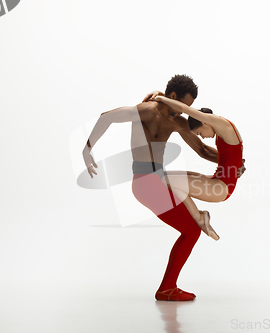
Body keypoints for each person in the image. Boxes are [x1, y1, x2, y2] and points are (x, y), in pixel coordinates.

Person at [82, 75, 245, 301]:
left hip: (157, 181)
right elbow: (107, 117)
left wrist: (234, 164)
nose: (185, 112)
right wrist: (87, 149)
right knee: (191, 231)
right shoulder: (147, 110)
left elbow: (203, 151)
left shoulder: (177, 121)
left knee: (191, 230)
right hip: (145, 182)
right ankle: (167, 288)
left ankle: (168, 286)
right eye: (185, 105)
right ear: (173, 97)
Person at [149, 95, 244, 242]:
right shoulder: (222, 131)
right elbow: (233, 157)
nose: (203, 137)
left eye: (200, 133)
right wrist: (240, 166)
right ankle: (199, 216)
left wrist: (161, 97)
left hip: (220, 188)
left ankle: (199, 216)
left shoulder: (223, 125)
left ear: (205, 122)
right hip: (217, 181)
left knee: (165, 181)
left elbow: (184, 109)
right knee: (162, 177)